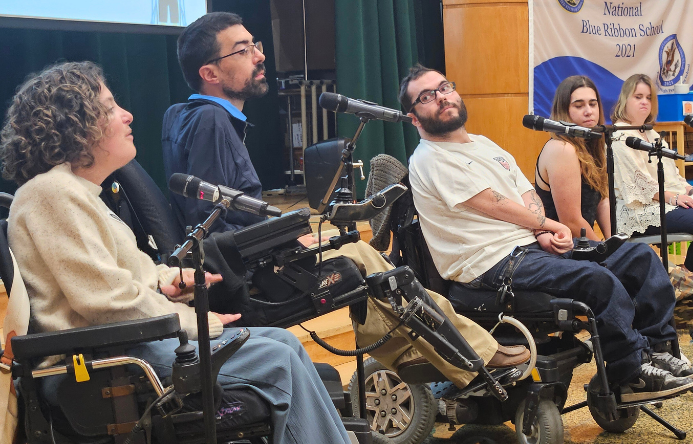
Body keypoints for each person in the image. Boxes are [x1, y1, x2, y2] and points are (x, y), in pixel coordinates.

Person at [161, 12, 531, 390]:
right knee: (376, 264)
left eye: (255, 44)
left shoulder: (184, 116)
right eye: (243, 50)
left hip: (245, 259)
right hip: (246, 273)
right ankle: (474, 355)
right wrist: (285, 241)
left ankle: (423, 354)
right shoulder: (211, 122)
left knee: (365, 261)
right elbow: (213, 222)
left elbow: (221, 216)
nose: (260, 55)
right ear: (210, 74)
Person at [0, 61, 353, 444]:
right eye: (109, 108)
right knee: (279, 360)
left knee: (283, 344)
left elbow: (130, 275)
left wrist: (169, 280)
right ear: (76, 127)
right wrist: (198, 320)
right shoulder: (51, 194)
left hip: (123, 348)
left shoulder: (78, 194)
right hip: (101, 364)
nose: (126, 115)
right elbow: (106, 301)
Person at [400, 63, 693, 402]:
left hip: (528, 247)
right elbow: (492, 203)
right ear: (414, 117)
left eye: (444, 87)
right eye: (426, 96)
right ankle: (628, 374)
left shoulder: (483, 144)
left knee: (637, 257)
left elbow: (525, 192)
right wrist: (545, 225)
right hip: (489, 266)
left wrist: (539, 231)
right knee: (595, 279)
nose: (441, 97)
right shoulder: (429, 158)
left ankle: (658, 351)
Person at [612, 74, 693, 298]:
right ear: (625, 100)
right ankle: (684, 278)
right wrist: (674, 198)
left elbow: (672, 176)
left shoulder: (650, 132)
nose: (644, 102)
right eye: (638, 96)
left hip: (666, 202)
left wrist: (689, 191)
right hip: (639, 210)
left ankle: (683, 277)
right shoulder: (619, 136)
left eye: (648, 97)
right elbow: (639, 186)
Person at [534, 75, 610, 240]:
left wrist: (614, 243)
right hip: (560, 247)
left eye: (593, 104)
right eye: (579, 105)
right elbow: (571, 222)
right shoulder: (562, 149)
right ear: (564, 110)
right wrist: (607, 252)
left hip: (584, 244)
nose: (589, 111)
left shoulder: (593, 145)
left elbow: (602, 201)